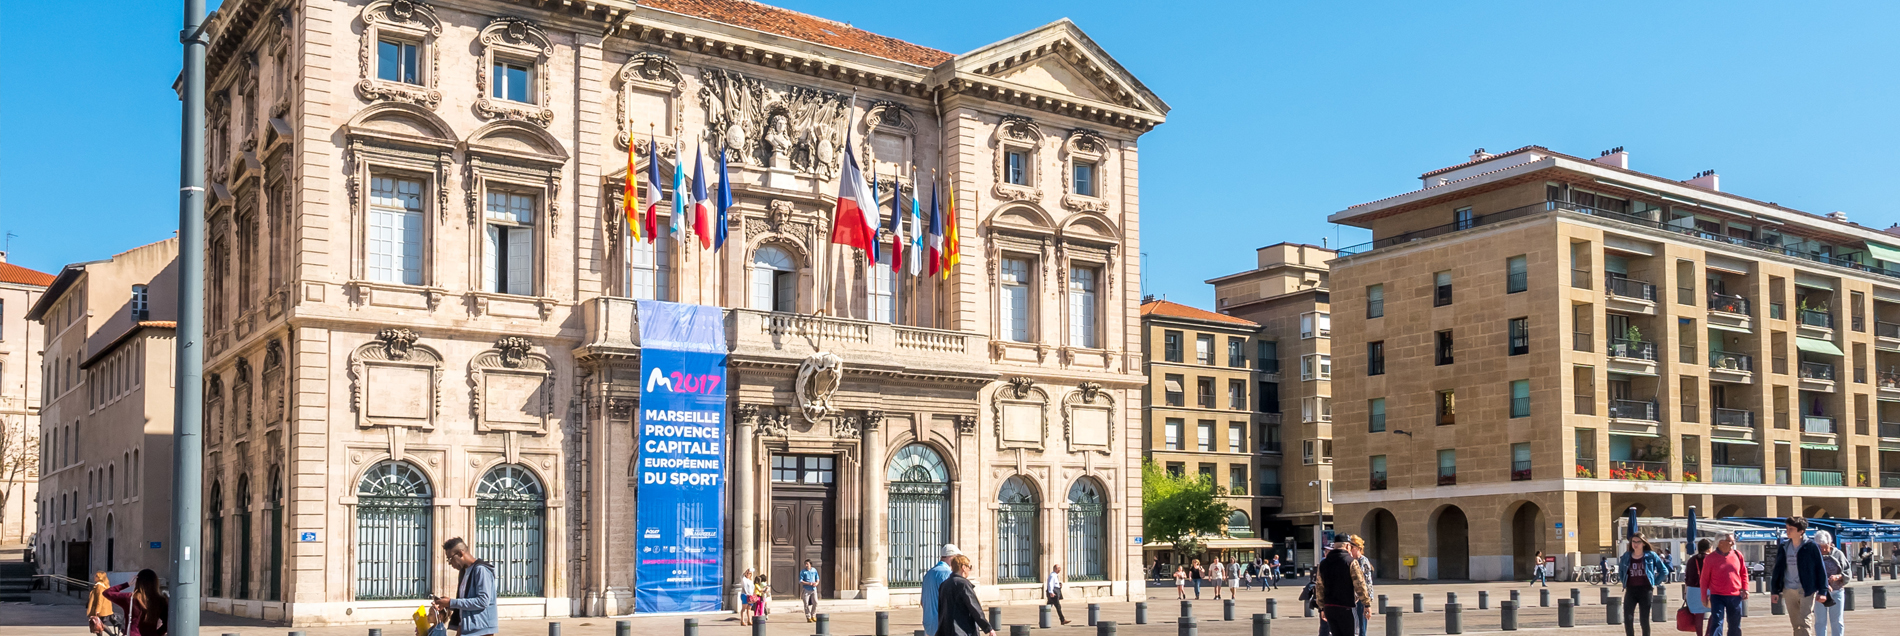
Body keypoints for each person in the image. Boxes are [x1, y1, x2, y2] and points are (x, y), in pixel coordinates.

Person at [1772, 516, 1830, 636]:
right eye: (1787, 528)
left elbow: (1820, 568)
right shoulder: (1784, 547)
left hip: (1806, 589)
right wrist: (1775, 591)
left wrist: (1823, 591)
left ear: (1801, 531)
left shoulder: (1811, 546)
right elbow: (1778, 569)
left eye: (1791, 529)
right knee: (1795, 624)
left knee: (1804, 621)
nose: (1787, 531)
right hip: (1789, 589)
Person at [433, 538, 497, 636]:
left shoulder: (481, 570)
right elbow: (466, 603)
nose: (450, 563)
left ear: (460, 554)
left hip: (481, 630)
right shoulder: (464, 572)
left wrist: (451, 602)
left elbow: (483, 601)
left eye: (450, 559)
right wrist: (447, 604)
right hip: (466, 628)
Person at [1314, 538, 1370, 636]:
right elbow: (1360, 585)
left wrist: (1321, 608)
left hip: (1329, 607)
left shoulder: (1323, 563)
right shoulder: (1351, 562)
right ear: (1347, 546)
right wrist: (1367, 604)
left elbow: (1319, 587)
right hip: (1346, 607)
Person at [1700, 532, 1749, 636]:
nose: (1732, 543)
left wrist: (1745, 588)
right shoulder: (1710, 559)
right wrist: (1703, 597)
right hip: (1717, 596)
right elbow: (1704, 579)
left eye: (1733, 541)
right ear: (1720, 543)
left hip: (1735, 596)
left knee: (1735, 624)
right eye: (1730, 541)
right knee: (1717, 621)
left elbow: (1744, 572)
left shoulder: (1737, 555)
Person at [937, 555, 997, 636]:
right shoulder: (963, 584)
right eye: (969, 567)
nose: (970, 570)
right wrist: (988, 628)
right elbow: (974, 608)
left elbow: (940, 609)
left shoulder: (944, 584)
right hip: (962, 630)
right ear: (963, 567)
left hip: (945, 630)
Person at [1619, 533, 1666, 636]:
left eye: (1638, 542)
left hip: (1645, 590)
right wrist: (1624, 582)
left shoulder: (1651, 555)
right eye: (1633, 542)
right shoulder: (1627, 556)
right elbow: (1621, 571)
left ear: (1644, 543)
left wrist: (1655, 582)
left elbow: (1664, 570)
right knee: (1628, 618)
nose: (1635, 544)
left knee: (1644, 619)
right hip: (1631, 590)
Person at [103, 569, 167, 636]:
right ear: (155, 583)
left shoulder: (129, 598)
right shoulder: (160, 601)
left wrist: (127, 584)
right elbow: (167, 624)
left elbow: (107, 593)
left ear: (138, 582)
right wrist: (157, 634)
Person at [1814, 533, 1848, 636]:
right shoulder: (1814, 556)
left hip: (1837, 591)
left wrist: (1838, 576)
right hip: (1820, 592)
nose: (1823, 550)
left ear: (1830, 543)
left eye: (1825, 547)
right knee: (1820, 621)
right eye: (1820, 547)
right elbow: (1810, 573)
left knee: (1837, 621)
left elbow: (1847, 572)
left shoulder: (1838, 554)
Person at [922, 544, 960, 636]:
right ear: (952, 557)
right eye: (957, 558)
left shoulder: (929, 574)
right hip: (942, 625)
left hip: (929, 624)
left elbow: (922, 602)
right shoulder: (947, 574)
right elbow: (951, 601)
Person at [1346, 535, 1375, 636]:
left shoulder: (1363, 561)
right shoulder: (1348, 560)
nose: (1349, 549)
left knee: (1361, 625)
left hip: (1360, 598)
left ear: (1358, 548)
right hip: (1350, 598)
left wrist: (1368, 601)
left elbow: (1368, 582)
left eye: (1351, 547)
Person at [1682, 539, 1712, 636]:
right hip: (1708, 589)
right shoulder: (1711, 559)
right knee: (1715, 612)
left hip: (1693, 590)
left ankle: (1699, 634)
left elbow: (1687, 577)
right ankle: (1708, 633)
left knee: (1698, 615)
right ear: (1709, 548)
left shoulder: (1691, 560)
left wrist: (1685, 593)